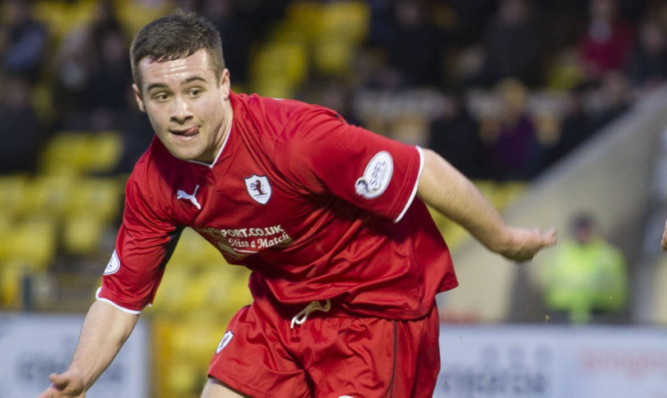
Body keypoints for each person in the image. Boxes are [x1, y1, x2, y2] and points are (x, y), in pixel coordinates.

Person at [38, 12, 556, 398]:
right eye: (161, 96)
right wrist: (81, 375)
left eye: (194, 90)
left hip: (378, 310)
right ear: (138, 99)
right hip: (281, 312)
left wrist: (502, 239)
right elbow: (120, 297)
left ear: (223, 85)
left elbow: (424, 169)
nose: (180, 112)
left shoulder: (297, 139)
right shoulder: (152, 182)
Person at [542, 213, 627, 324]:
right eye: (579, 231)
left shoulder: (608, 256)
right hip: (563, 316)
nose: (582, 235)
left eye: (585, 231)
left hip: (600, 315)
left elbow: (619, 289)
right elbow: (548, 287)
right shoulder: (560, 256)